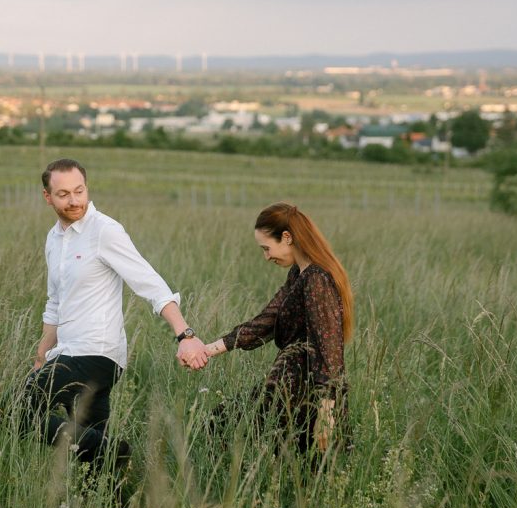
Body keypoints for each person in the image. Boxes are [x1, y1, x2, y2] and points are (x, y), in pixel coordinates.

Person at [20, 158, 208, 465]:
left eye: (79, 191)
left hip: (96, 354)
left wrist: (185, 334)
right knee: (91, 459)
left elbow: (150, 283)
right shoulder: (54, 239)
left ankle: (110, 450)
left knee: (15, 411)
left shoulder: (105, 231)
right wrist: (41, 357)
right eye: (63, 194)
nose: (74, 200)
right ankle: (115, 492)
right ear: (48, 197)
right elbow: (55, 302)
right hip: (66, 353)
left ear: (87, 188)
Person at [197, 202, 353, 454]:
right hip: (287, 390)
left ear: (287, 237)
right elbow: (267, 320)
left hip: (308, 396)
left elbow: (329, 347)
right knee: (220, 424)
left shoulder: (317, 280)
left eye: (267, 248)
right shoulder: (299, 274)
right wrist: (207, 350)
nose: (266, 256)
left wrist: (327, 410)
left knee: (221, 424)